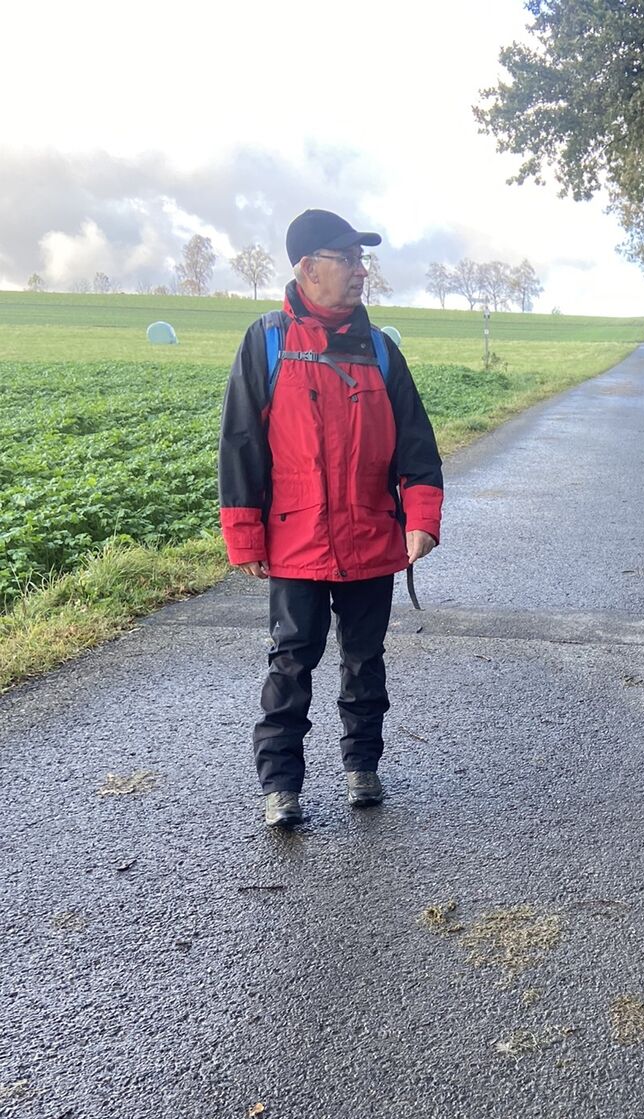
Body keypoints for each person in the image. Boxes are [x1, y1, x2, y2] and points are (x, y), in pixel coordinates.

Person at [218, 208, 443, 828]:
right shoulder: (268, 341)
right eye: (346, 259)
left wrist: (422, 517)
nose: (359, 271)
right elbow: (241, 443)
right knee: (291, 662)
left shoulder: (382, 351)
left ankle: (362, 767)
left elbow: (416, 446)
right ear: (307, 268)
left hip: (370, 535)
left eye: (360, 260)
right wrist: (245, 536)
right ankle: (281, 786)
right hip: (297, 541)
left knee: (365, 661)